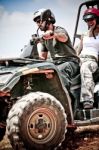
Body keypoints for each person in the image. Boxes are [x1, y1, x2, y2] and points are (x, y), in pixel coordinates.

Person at [33, 8, 80, 91]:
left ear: (47, 19)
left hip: (70, 62)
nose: (37, 24)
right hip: (55, 63)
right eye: (36, 22)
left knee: (60, 70)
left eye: (39, 21)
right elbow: (43, 57)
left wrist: (53, 34)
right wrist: (33, 56)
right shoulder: (45, 38)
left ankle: (64, 98)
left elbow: (64, 37)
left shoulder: (59, 30)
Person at [77, 8, 99, 109]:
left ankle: (88, 100)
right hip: (81, 58)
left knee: (85, 67)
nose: (89, 22)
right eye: (87, 20)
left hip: (92, 61)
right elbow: (78, 50)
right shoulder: (84, 35)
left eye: (91, 19)